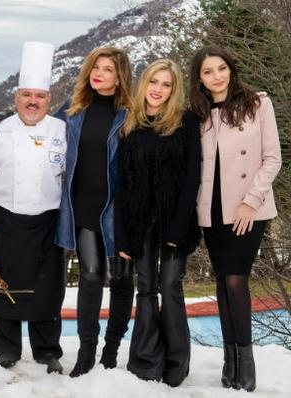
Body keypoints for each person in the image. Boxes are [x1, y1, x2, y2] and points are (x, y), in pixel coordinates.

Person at [0, 42, 66, 374]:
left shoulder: (61, 132)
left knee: (47, 290)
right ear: (17, 98)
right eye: (27, 95)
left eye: (39, 96)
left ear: (48, 99)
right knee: (0, 287)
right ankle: (7, 350)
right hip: (3, 221)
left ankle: (47, 351)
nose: (33, 102)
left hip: (47, 223)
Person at [189, 46, 282, 392]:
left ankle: (247, 365)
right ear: (199, 78)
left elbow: (272, 158)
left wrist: (250, 201)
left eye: (221, 68)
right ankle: (230, 362)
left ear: (232, 69)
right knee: (221, 282)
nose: (217, 76)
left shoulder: (258, 103)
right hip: (211, 211)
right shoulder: (197, 113)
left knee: (236, 281)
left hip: (247, 208)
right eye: (208, 71)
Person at [115, 59, 201, 386]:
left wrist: (179, 226)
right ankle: (146, 363)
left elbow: (193, 177)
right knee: (146, 288)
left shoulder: (187, 122)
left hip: (175, 220)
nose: (158, 89)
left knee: (170, 286)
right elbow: (122, 182)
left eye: (166, 84)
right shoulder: (130, 123)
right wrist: (122, 235)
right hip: (139, 222)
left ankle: (176, 365)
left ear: (174, 89)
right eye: (153, 81)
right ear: (144, 83)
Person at [53, 46, 135, 378]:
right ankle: (86, 353)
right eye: (95, 68)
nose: (98, 74)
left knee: (121, 281)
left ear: (120, 77)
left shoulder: (131, 114)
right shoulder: (73, 110)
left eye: (107, 70)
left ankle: (111, 353)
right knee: (89, 278)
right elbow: (38, 123)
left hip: (120, 213)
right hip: (85, 210)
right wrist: (1, 120)